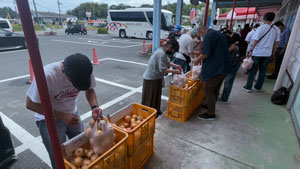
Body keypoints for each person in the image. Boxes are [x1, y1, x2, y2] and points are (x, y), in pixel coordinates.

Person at [26, 53, 102, 169]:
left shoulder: (85, 69)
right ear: (64, 72)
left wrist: (94, 107)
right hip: (49, 119)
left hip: (72, 113)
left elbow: (90, 90)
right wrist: (61, 116)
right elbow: (30, 104)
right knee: (58, 156)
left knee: (81, 145)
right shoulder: (47, 76)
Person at [194, 26, 232, 120]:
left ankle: (211, 114)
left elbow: (206, 53)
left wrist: (197, 61)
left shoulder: (208, 36)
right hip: (225, 66)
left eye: (200, 35)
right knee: (215, 89)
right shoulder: (219, 34)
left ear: (201, 32)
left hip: (216, 68)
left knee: (209, 90)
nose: (201, 37)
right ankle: (210, 106)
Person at [142, 40, 182, 117]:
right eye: (173, 51)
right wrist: (176, 72)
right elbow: (163, 70)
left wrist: (176, 66)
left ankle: (156, 111)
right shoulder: (161, 53)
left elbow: (167, 62)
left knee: (156, 95)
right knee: (151, 97)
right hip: (151, 78)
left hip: (156, 77)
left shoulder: (162, 51)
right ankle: (149, 114)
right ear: (170, 47)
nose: (173, 53)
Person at [243, 12, 280, 92]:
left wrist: (251, 50)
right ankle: (258, 87)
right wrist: (274, 52)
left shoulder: (261, 28)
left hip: (257, 52)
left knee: (253, 70)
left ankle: (248, 87)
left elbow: (255, 40)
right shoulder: (276, 29)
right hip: (267, 53)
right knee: (263, 71)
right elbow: (276, 43)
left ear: (265, 18)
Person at [219, 30, 242, 103]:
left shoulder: (231, 47)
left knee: (228, 82)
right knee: (227, 82)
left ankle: (224, 99)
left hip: (232, 65)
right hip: (233, 65)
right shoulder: (235, 46)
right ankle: (223, 98)